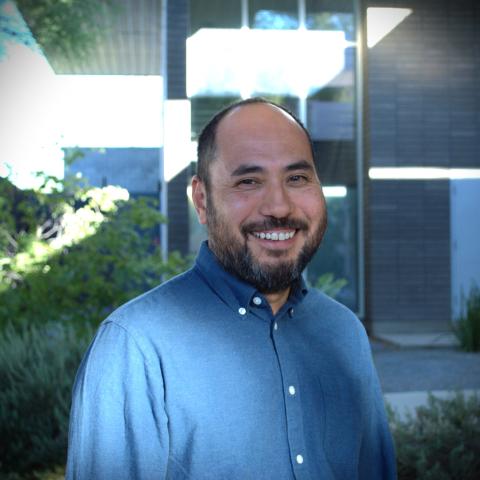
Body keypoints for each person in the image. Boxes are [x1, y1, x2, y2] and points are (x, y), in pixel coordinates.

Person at [66, 98, 396, 479]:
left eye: (297, 178)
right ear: (202, 201)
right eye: (249, 181)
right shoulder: (135, 349)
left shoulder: (344, 332)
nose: (279, 206)